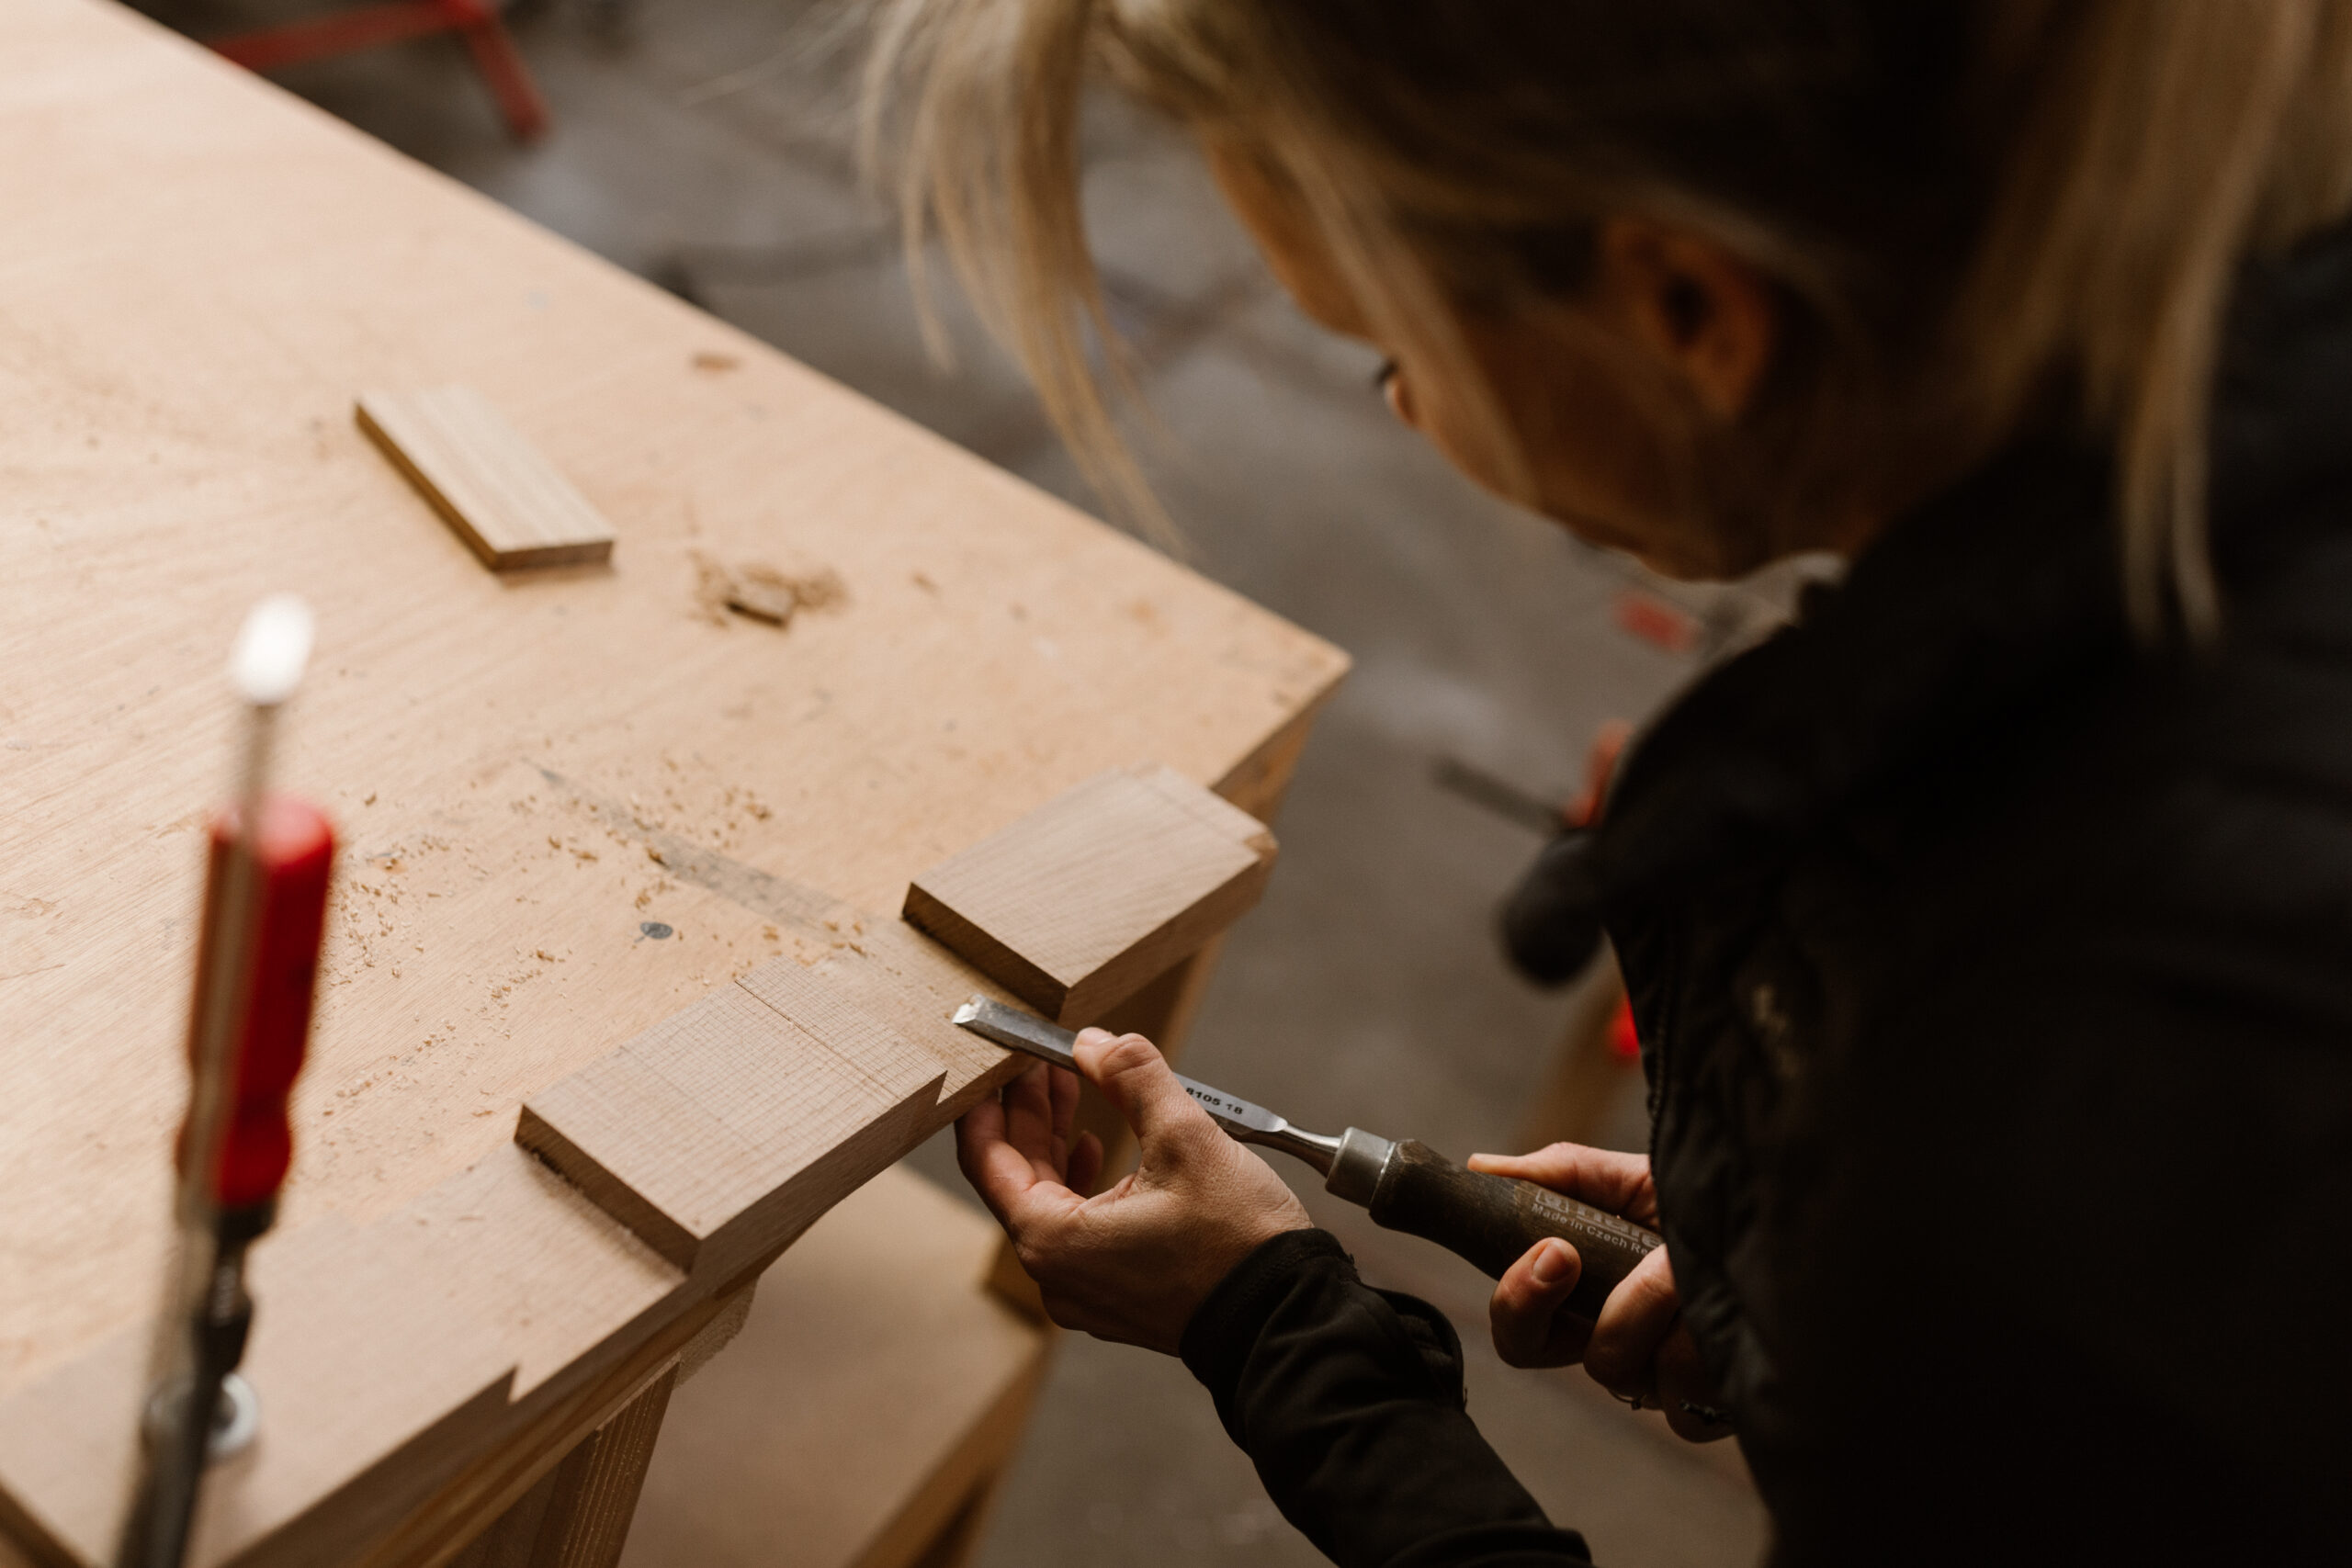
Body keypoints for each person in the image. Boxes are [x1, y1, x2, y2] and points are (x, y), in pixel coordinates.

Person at [867, 3, 2352, 1562]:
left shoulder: (2078, 1055)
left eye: (1396, 352)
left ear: (1692, 310)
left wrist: (1279, 1337)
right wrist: (1812, 1277)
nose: (1402, 411)